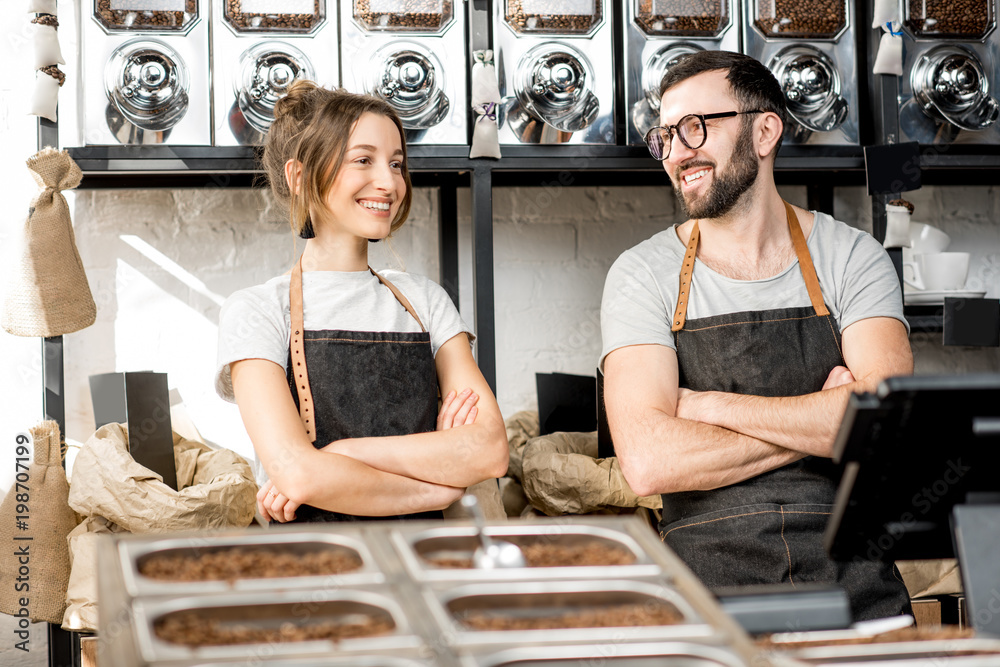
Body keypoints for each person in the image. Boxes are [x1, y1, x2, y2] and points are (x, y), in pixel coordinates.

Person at [600, 51, 912, 620]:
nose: (677, 151)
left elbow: (886, 429)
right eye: (666, 135)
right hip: (707, 591)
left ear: (764, 130)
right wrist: (828, 417)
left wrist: (708, 407)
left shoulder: (853, 257)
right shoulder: (641, 274)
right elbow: (647, 461)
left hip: (854, 578)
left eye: (696, 126)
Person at [215, 81, 508, 523]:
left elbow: (488, 449)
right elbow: (298, 474)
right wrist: (439, 488)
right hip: (313, 575)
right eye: (363, 160)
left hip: (428, 566)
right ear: (300, 177)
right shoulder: (257, 311)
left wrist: (341, 454)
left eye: (396, 163)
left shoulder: (425, 301)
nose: (389, 182)